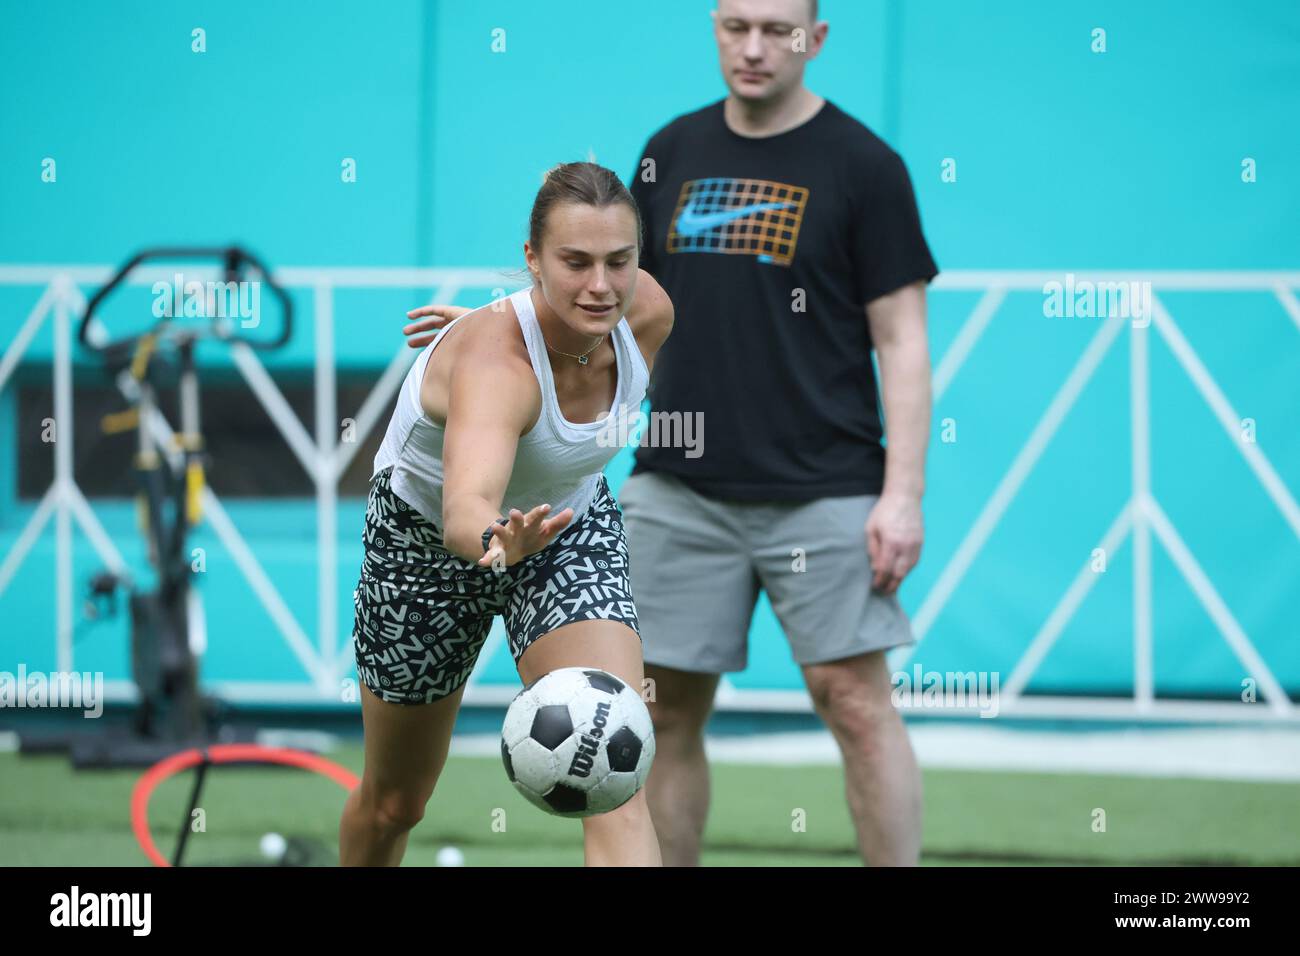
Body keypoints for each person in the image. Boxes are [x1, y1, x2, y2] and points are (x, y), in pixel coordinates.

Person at [407, 0, 938, 867]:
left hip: (829, 487)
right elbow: (599, 290)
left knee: (854, 702)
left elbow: (903, 341)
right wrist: (491, 331)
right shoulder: (671, 152)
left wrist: (903, 495)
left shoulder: (866, 168)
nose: (755, 47)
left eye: (778, 29)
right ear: (716, 29)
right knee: (656, 714)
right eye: (736, 26)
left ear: (818, 38)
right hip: (678, 486)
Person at [341, 161, 674, 867]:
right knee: (397, 801)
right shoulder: (496, 369)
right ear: (532, 261)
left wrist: (523, 318)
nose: (601, 285)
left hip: (564, 530)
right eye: (574, 263)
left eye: (619, 261)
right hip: (426, 547)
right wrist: (496, 542)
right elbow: (466, 509)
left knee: (617, 769)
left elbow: (581, 329)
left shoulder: (648, 311)